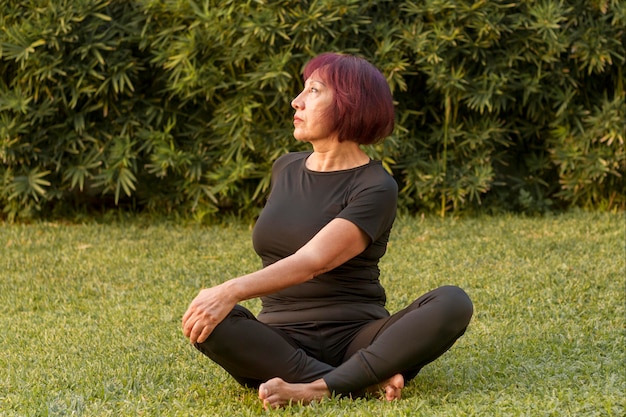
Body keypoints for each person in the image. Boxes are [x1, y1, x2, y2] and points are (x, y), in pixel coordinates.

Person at [182, 52, 473, 409]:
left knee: (452, 301)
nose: (296, 100)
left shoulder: (376, 185)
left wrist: (230, 290)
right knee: (209, 321)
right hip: (281, 339)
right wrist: (220, 303)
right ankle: (360, 380)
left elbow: (313, 261)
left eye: (313, 90)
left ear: (350, 105)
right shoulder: (284, 168)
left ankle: (318, 388)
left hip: (359, 335)